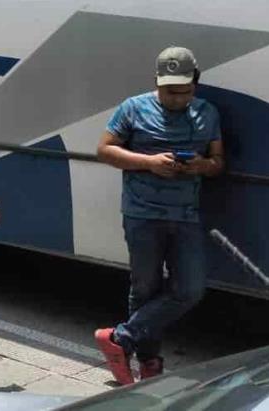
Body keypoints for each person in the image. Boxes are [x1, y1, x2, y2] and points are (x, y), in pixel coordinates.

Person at [95, 46, 225, 385]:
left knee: (190, 289)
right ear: (157, 82)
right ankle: (149, 361)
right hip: (142, 213)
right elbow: (104, 150)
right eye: (170, 91)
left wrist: (201, 166)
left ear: (195, 84)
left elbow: (218, 163)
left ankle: (120, 337)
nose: (178, 99)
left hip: (186, 214)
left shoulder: (207, 112)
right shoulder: (133, 108)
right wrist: (150, 163)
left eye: (185, 91)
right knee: (145, 288)